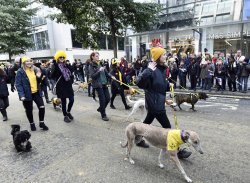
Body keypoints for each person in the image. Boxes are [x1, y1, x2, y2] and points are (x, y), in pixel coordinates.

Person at [135, 46, 192, 159]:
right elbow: (139, 83)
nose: (166, 56)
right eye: (164, 54)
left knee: (146, 124)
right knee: (168, 128)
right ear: (157, 57)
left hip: (156, 102)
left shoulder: (161, 69)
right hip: (155, 104)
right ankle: (178, 151)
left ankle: (137, 139)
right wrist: (148, 70)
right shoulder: (151, 69)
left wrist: (167, 85)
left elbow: (159, 85)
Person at [15, 57, 49, 131]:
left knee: (42, 107)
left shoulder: (35, 69)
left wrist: (39, 77)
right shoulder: (20, 71)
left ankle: (41, 123)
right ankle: (32, 124)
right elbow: (18, 84)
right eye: (27, 61)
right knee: (29, 110)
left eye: (30, 61)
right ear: (24, 63)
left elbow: (39, 81)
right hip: (27, 94)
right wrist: (22, 95)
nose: (29, 62)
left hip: (36, 92)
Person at [51, 51, 75, 123]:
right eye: (60, 57)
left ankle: (68, 112)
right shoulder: (55, 65)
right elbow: (52, 76)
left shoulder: (66, 64)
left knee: (72, 100)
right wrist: (55, 65)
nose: (62, 58)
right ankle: (65, 116)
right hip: (61, 86)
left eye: (63, 57)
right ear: (57, 58)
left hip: (68, 85)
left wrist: (67, 65)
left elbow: (72, 70)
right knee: (64, 102)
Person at [88, 52, 111, 121]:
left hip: (104, 83)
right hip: (98, 85)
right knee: (102, 100)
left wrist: (111, 76)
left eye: (98, 56)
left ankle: (101, 108)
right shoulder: (91, 65)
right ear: (92, 57)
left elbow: (106, 72)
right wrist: (99, 71)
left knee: (108, 98)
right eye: (96, 56)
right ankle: (103, 115)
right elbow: (92, 76)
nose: (98, 57)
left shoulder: (100, 63)